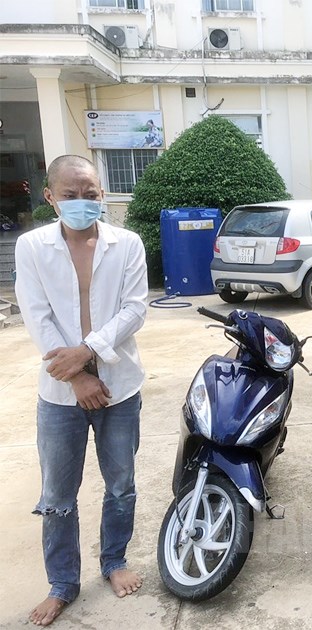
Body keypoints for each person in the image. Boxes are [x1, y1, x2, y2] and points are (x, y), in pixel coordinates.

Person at [14, 155, 148, 625]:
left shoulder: (127, 244)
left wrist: (87, 352)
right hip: (59, 396)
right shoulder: (32, 247)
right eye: (70, 195)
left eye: (90, 194)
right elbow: (36, 316)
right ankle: (62, 584)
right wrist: (77, 376)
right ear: (50, 196)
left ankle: (114, 561)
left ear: (102, 194)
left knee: (121, 485)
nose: (82, 202)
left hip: (119, 388)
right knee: (57, 495)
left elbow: (135, 310)